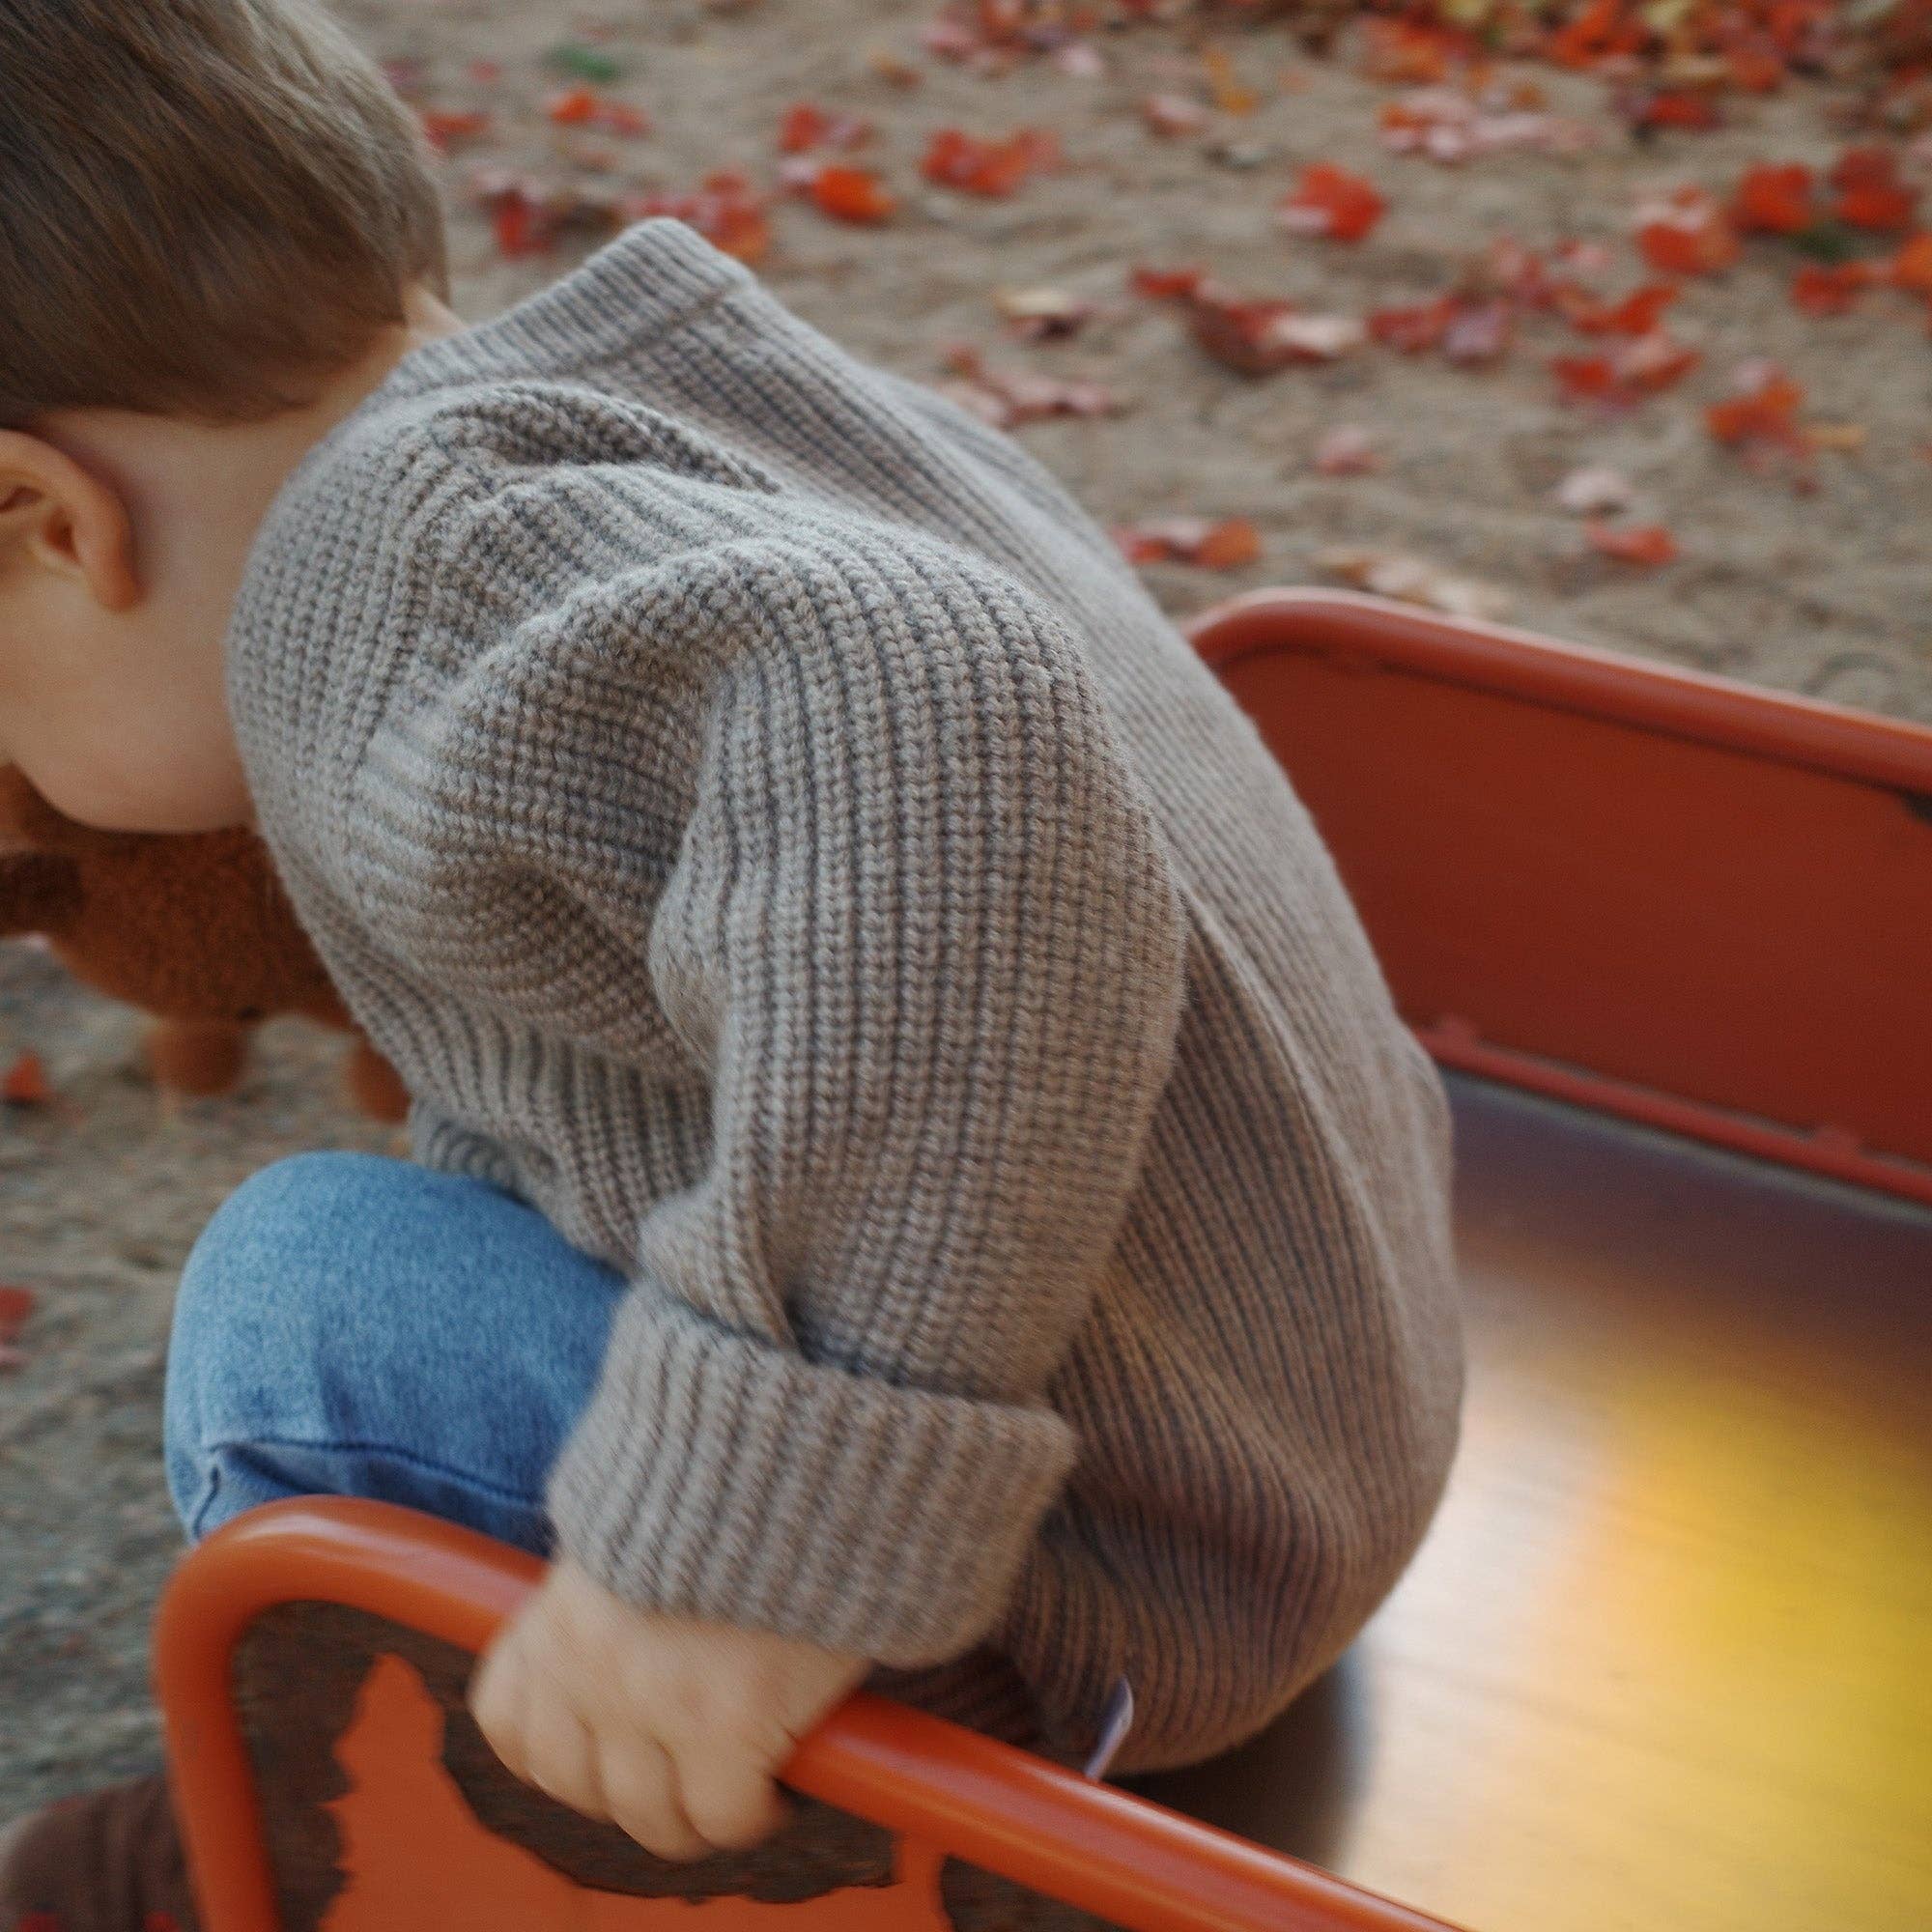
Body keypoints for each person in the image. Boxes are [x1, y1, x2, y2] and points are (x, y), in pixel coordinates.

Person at [0, 2, 1463, 1923]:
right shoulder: (686, 396)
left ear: (44, 521)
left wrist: (766, 1527)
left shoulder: (416, 589)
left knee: (312, 1291)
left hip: (1086, 1578)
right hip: (1292, 1421)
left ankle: (384, 1831)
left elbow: (938, 716)